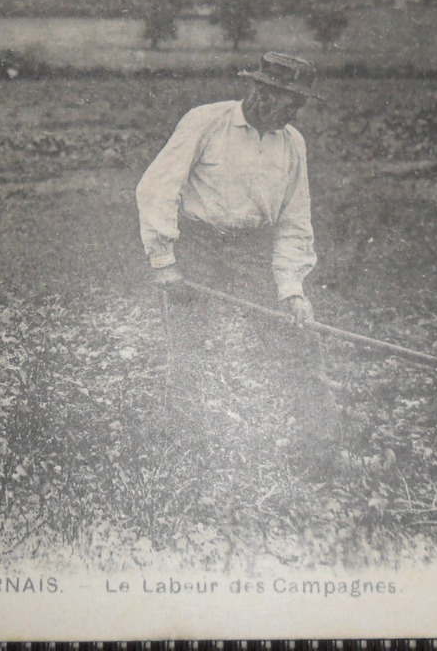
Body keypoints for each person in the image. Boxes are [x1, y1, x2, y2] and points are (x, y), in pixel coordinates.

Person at [135, 51, 340, 451]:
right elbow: (157, 187)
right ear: (260, 90)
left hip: (251, 251)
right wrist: (164, 262)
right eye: (290, 100)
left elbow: (295, 220)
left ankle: (322, 446)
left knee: (297, 340)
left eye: (300, 103)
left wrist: (292, 289)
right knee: (188, 346)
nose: (294, 111)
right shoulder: (206, 121)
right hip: (198, 244)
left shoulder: (292, 143)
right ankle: (179, 441)